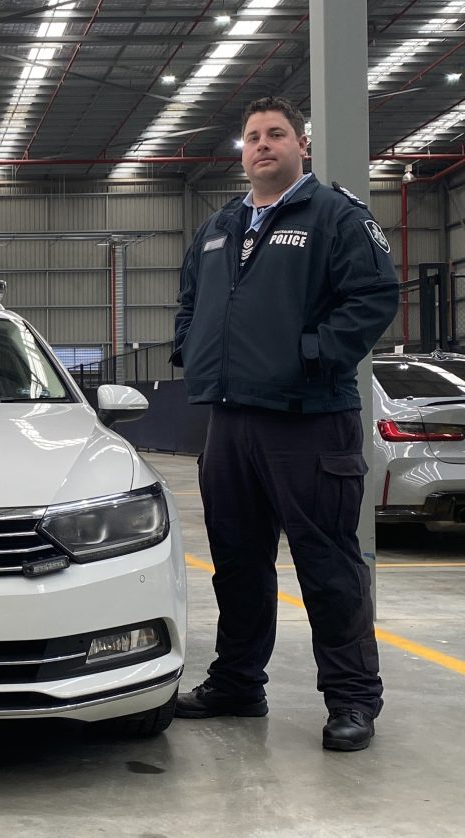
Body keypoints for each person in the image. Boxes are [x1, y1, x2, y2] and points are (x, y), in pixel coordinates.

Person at [171, 96, 399, 751]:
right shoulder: (219, 226)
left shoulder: (334, 216)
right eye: (252, 137)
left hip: (309, 420)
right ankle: (238, 683)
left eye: (275, 135)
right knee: (238, 565)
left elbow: (374, 295)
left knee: (327, 565)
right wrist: (192, 346)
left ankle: (353, 698)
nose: (262, 145)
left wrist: (311, 354)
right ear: (241, 151)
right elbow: (190, 299)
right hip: (229, 423)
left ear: (302, 145)